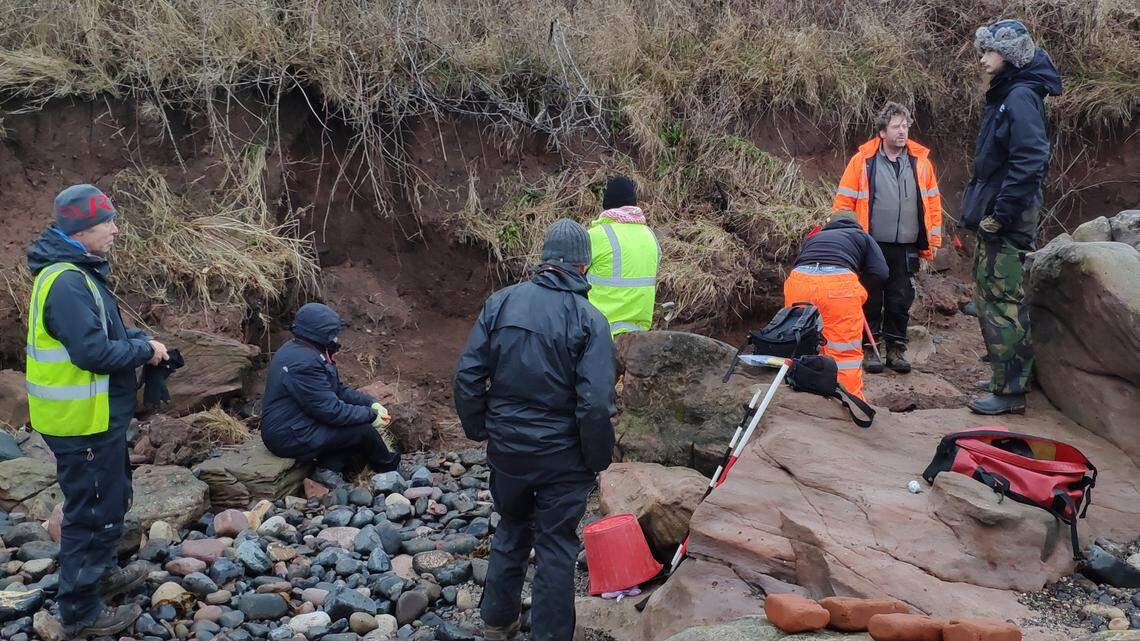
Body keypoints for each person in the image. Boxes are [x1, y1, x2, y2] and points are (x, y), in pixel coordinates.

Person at [453, 219, 616, 641]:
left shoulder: (501, 303)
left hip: (508, 448)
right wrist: (597, 459)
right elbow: (595, 404)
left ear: (544, 259)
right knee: (556, 547)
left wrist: (480, 429)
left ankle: (496, 622)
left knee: (510, 527)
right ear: (584, 265)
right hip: (563, 459)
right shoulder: (590, 319)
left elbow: (467, 377)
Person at [25, 184, 170, 638]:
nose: (115, 229)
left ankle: (100, 577)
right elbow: (91, 352)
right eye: (107, 221)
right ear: (82, 228)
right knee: (92, 512)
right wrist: (142, 350)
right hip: (82, 424)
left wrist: (139, 343)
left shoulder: (76, 272)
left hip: (94, 419)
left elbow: (104, 333)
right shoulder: (67, 280)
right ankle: (81, 614)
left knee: (110, 499)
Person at [961, 19, 1062, 415]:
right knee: (990, 298)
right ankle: (1005, 377)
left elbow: (1030, 159)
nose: (983, 59)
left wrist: (1001, 215)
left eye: (989, 52)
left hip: (1008, 219)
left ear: (1009, 55)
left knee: (1002, 301)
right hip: (999, 216)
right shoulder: (1009, 93)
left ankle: (1011, 391)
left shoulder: (1019, 97)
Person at [833, 102, 943, 375]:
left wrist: (934, 242)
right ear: (882, 132)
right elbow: (844, 203)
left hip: (907, 246)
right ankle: (870, 348)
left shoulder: (920, 163)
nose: (902, 132)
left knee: (900, 299)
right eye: (896, 127)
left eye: (905, 126)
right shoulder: (862, 162)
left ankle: (896, 350)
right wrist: (848, 240)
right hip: (871, 245)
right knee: (870, 297)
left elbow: (932, 204)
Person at [260, 302, 398, 487]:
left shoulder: (304, 350)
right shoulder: (304, 363)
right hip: (288, 435)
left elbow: (337, 391)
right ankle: (389, 473)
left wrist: (370, 403)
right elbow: (331, 411)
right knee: (363, 432)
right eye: (333, 334)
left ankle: (330, 468)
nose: (336, 338)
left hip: (296, 423)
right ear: (320, 334)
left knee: (355, 430)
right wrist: (370, 416)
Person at [784, 212, 889, 400]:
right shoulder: (862, 236)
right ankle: (849, 403)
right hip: (839, 287)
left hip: (798, 282)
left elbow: (800, 263)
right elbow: (881, 272)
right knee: (844, 352)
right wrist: (858, 288)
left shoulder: (815, 236)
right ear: (855, 224)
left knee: (802, 342)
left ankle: (802, 397)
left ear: (829, 225)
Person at [587, 176, 660, 336]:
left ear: (607, 203)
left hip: (600, 334)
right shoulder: (650, 236)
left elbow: (570, 280)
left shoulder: (597, 235)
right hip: (639, 335)